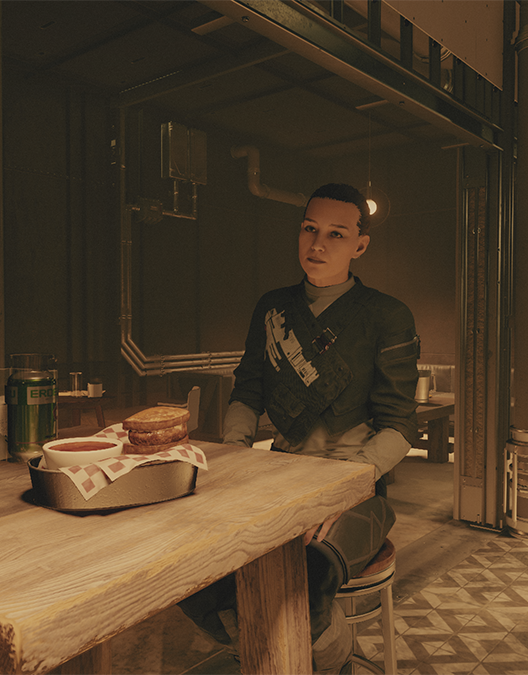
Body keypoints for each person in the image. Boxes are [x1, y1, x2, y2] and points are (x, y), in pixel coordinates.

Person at [177, 183, 420, 673]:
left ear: (360, 245)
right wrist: (235, 459)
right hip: (276, 477)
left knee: (306, 572)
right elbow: (247, 391)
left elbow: (399, 427)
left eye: (336, 233)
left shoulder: (387, 316)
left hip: (357, 491)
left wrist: (339, 490)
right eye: (310, 228)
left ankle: (324, 656)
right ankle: (275, 648)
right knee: (186, 559)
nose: (318, 243)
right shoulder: (272, 308)